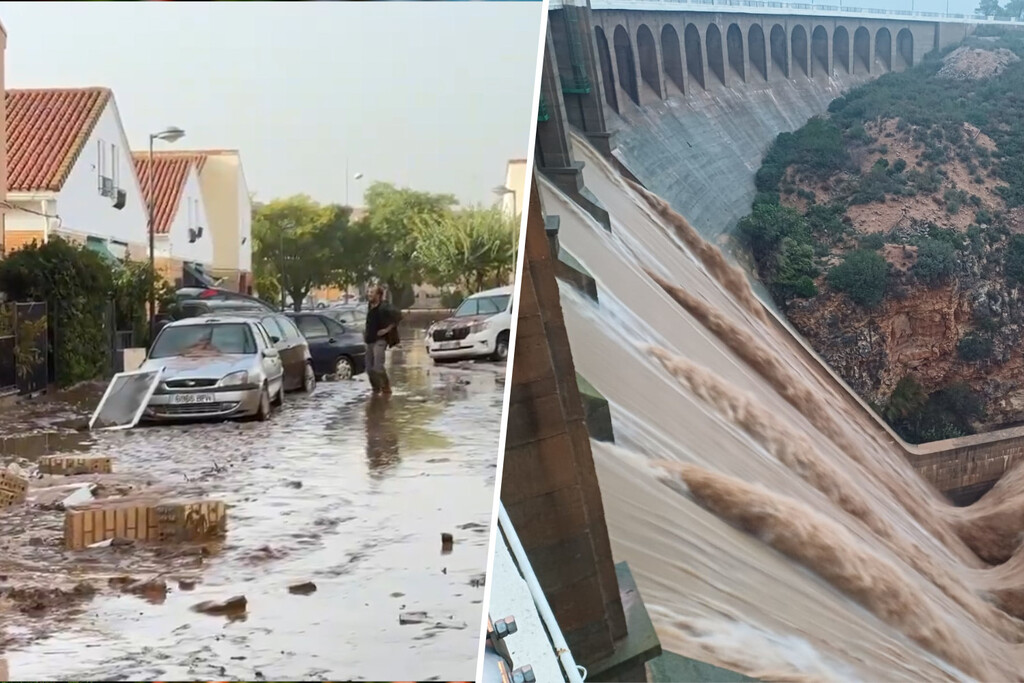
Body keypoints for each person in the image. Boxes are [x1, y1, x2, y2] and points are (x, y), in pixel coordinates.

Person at [364, 285, 400, 395]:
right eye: (369, 292)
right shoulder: (369, 305)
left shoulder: (385, 306)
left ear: (378, 295)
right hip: (369, 340)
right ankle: (376, 389)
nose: (369, 294)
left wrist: (386, 330)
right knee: (369, 369)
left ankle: (386, 387)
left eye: (372, 292)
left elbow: (399, 316)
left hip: (380, 340)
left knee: (378, 367)